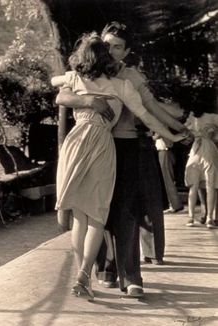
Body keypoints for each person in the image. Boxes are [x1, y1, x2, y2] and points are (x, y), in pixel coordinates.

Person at [54, 24, 187, 298]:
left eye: (117, 46)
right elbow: (61, 91)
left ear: (125, 52)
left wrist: (175, 133)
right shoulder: (85, 78)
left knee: (110, 212)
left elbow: (150, 111)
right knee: (90, 215)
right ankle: (93, 272)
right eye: (108, 46)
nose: (112, 51)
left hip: (107, 146)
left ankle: (113, 275)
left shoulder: (127, 79)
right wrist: (88, 99)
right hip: (91, 145)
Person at [184, 93, 218, 229]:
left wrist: (194, 134)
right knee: (211, 186)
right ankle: (210, 217)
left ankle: (191, 217)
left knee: (193, 186)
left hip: (195, 151)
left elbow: (185, 130)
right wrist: (214, 135)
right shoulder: (213, 117)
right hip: (209, 149)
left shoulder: (192, 117)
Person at [154, 135, 184, 213]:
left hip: (164, 151)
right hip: (163, 152)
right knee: (165, 178)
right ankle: (173, 204)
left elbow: (156, 136)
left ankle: (175, 204)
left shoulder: (161, 128)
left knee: (167, 178)